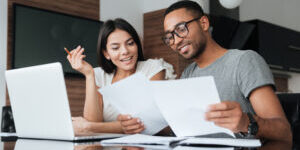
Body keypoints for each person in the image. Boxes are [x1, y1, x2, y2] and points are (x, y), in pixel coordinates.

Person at [162, 0, 292, 142]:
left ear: (204, 23)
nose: (175, 41)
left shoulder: (244, 61)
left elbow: (284, 134)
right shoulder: (187, 74)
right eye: (169, 37)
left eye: (181, 29)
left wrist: (246, 122)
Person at [67, 18, 176, 134]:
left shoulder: (153, 68)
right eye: (115, 48)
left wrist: (89, 127)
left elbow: (145, 123)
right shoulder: (99, 75)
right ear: (106, 53)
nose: (125, 51)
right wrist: (89, 75)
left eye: (130, 43)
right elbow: (93, 121)